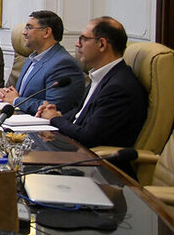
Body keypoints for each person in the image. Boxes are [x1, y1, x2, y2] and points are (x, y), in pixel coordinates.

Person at [36, 16, 147, 149]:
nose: (77, 44)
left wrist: (54, 119)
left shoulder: (119, 87)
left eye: (83, 39)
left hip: (95, 159)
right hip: (73, 149)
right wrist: (57, 115)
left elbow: (88, 137)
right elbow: (81, 114)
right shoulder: (103, 75)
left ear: (102, 44)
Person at [0, 10, 84, 114]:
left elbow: (53, 108)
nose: (24, 32)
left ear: (46, 32)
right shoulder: (32, 58)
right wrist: (6, 94)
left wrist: (16, 100)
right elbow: (20, 95)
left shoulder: (63, 64)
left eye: (29, 28)